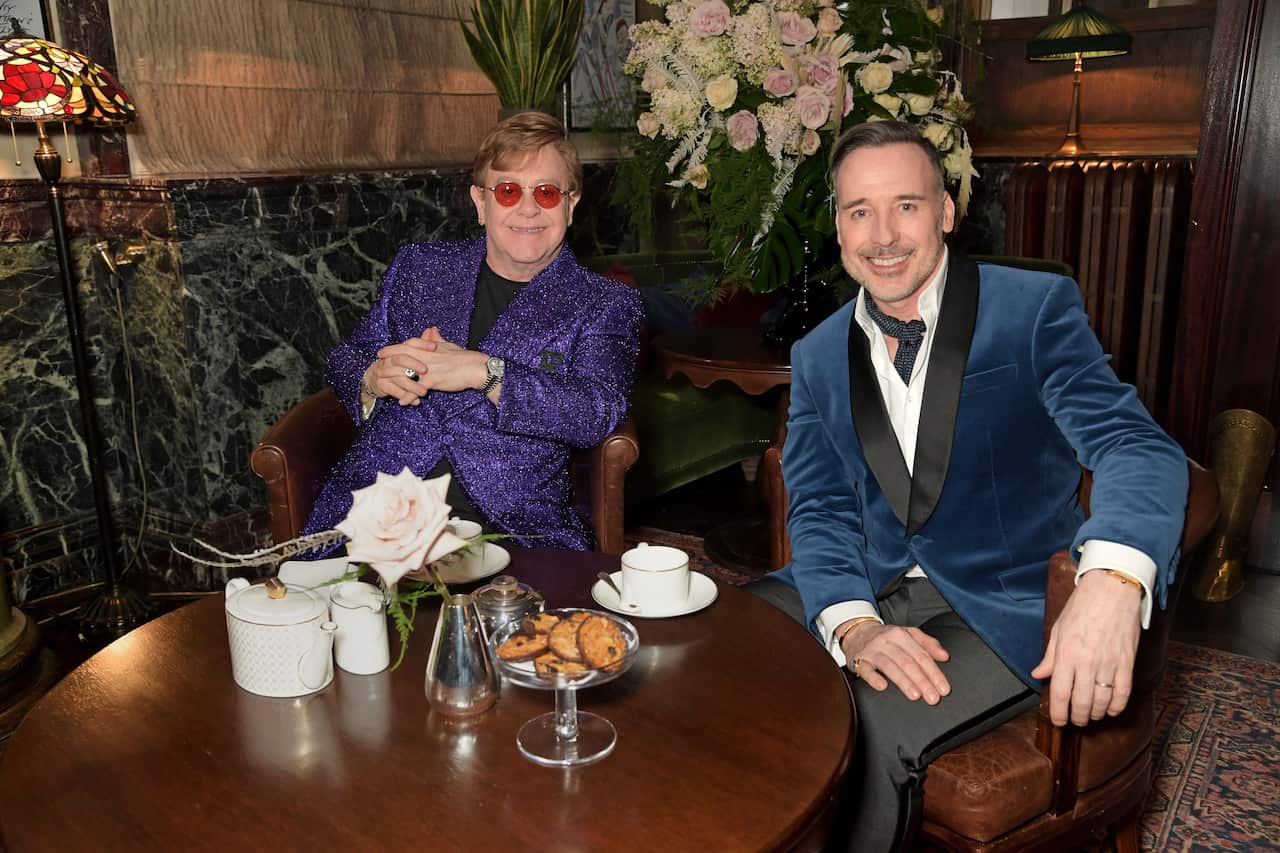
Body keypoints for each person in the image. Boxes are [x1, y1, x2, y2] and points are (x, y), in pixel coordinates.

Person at [747, 121, 1188, 852]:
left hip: (1002, 601)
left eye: (906, 206)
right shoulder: (818, 352)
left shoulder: (1033, 309)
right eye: (860, 211)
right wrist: (853, 624)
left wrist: (1111, 580)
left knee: (863, 720)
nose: (883, 235)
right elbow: (819, 506)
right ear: (838, 226)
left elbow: (1136, 446)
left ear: (947, 210)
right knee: (719, 648)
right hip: (869, 578)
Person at [301, 112, 644, 550]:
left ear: (570, 204)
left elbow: (596, 412)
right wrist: (371, 378)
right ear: (480, 202)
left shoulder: (604, 302)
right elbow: (349, 356)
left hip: (512, 528)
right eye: (507, 191)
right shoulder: (420, 267)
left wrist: (486, 372)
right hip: (376, 509)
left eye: (546, 192)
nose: (527, 208)